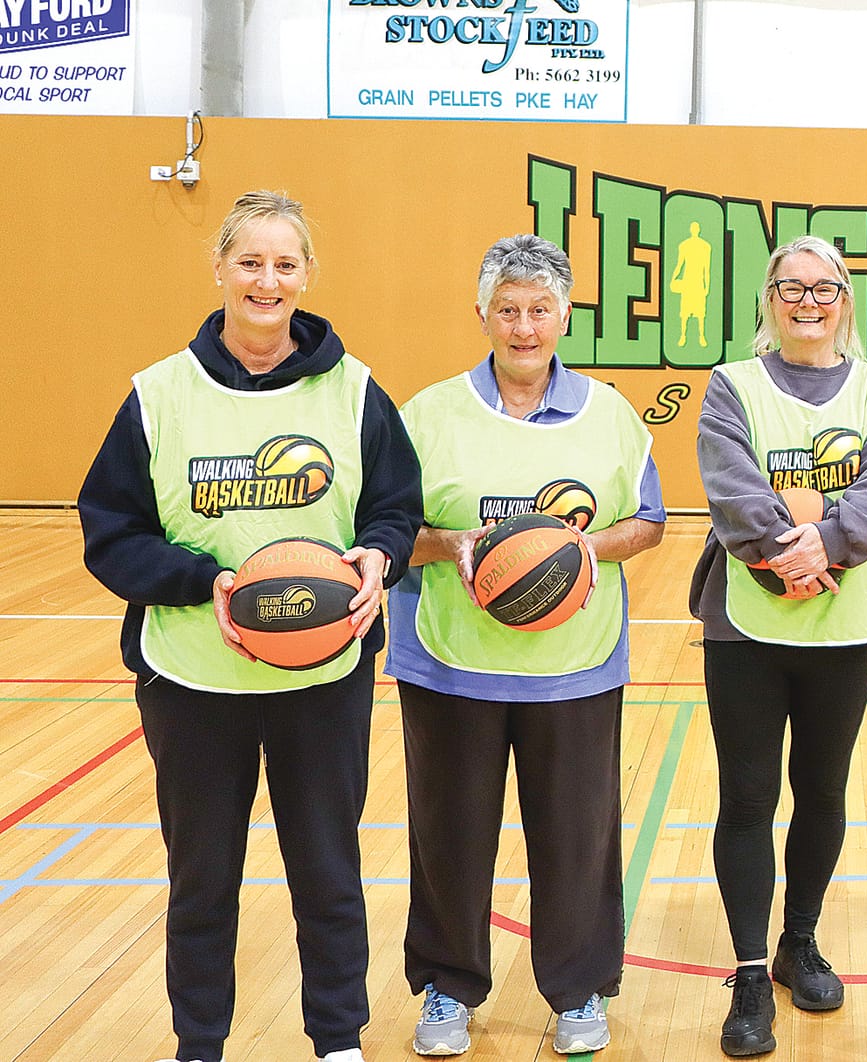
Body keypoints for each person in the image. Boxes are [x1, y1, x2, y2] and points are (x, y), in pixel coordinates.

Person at [78, 190, 423, 1062]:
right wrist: (207, 581)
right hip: (195, 681)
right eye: (250, 261)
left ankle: (337, 1039)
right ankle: (201, 1043)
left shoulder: (355, 392)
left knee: (328, 874)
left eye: (285, 263)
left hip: (322, 677)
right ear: (221, 268)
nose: (267, 280)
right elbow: (109, 534)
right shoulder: (159, 395)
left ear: (306, 275)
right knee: (202, 883)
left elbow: (395, 507)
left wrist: (383, 554)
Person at [386, 235, 665, 1056]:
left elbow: (647, 524)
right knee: (449, 834)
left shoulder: (609, 415)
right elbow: (390, 532)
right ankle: (446, 989)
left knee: (577, 836)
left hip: (573, 667)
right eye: (507, 310)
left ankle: (578, 991)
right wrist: (455, 544)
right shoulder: (429, 413)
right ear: (482, 315)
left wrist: (579, 552)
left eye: (540, 309)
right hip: (449, 665)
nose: (524, 326)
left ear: (565, 315)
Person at [690, 235, 867, 1057]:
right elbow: (730, 481)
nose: (808, 302)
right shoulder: (731, 385)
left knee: (822, 792)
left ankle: (799, 942)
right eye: (792, 288)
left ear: (845, 301)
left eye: (825, 289)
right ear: (770, 299)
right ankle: (751, 972)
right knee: (747, 799)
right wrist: (796, 547)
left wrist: (829, 541)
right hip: (745, 623)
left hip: (846, 621)